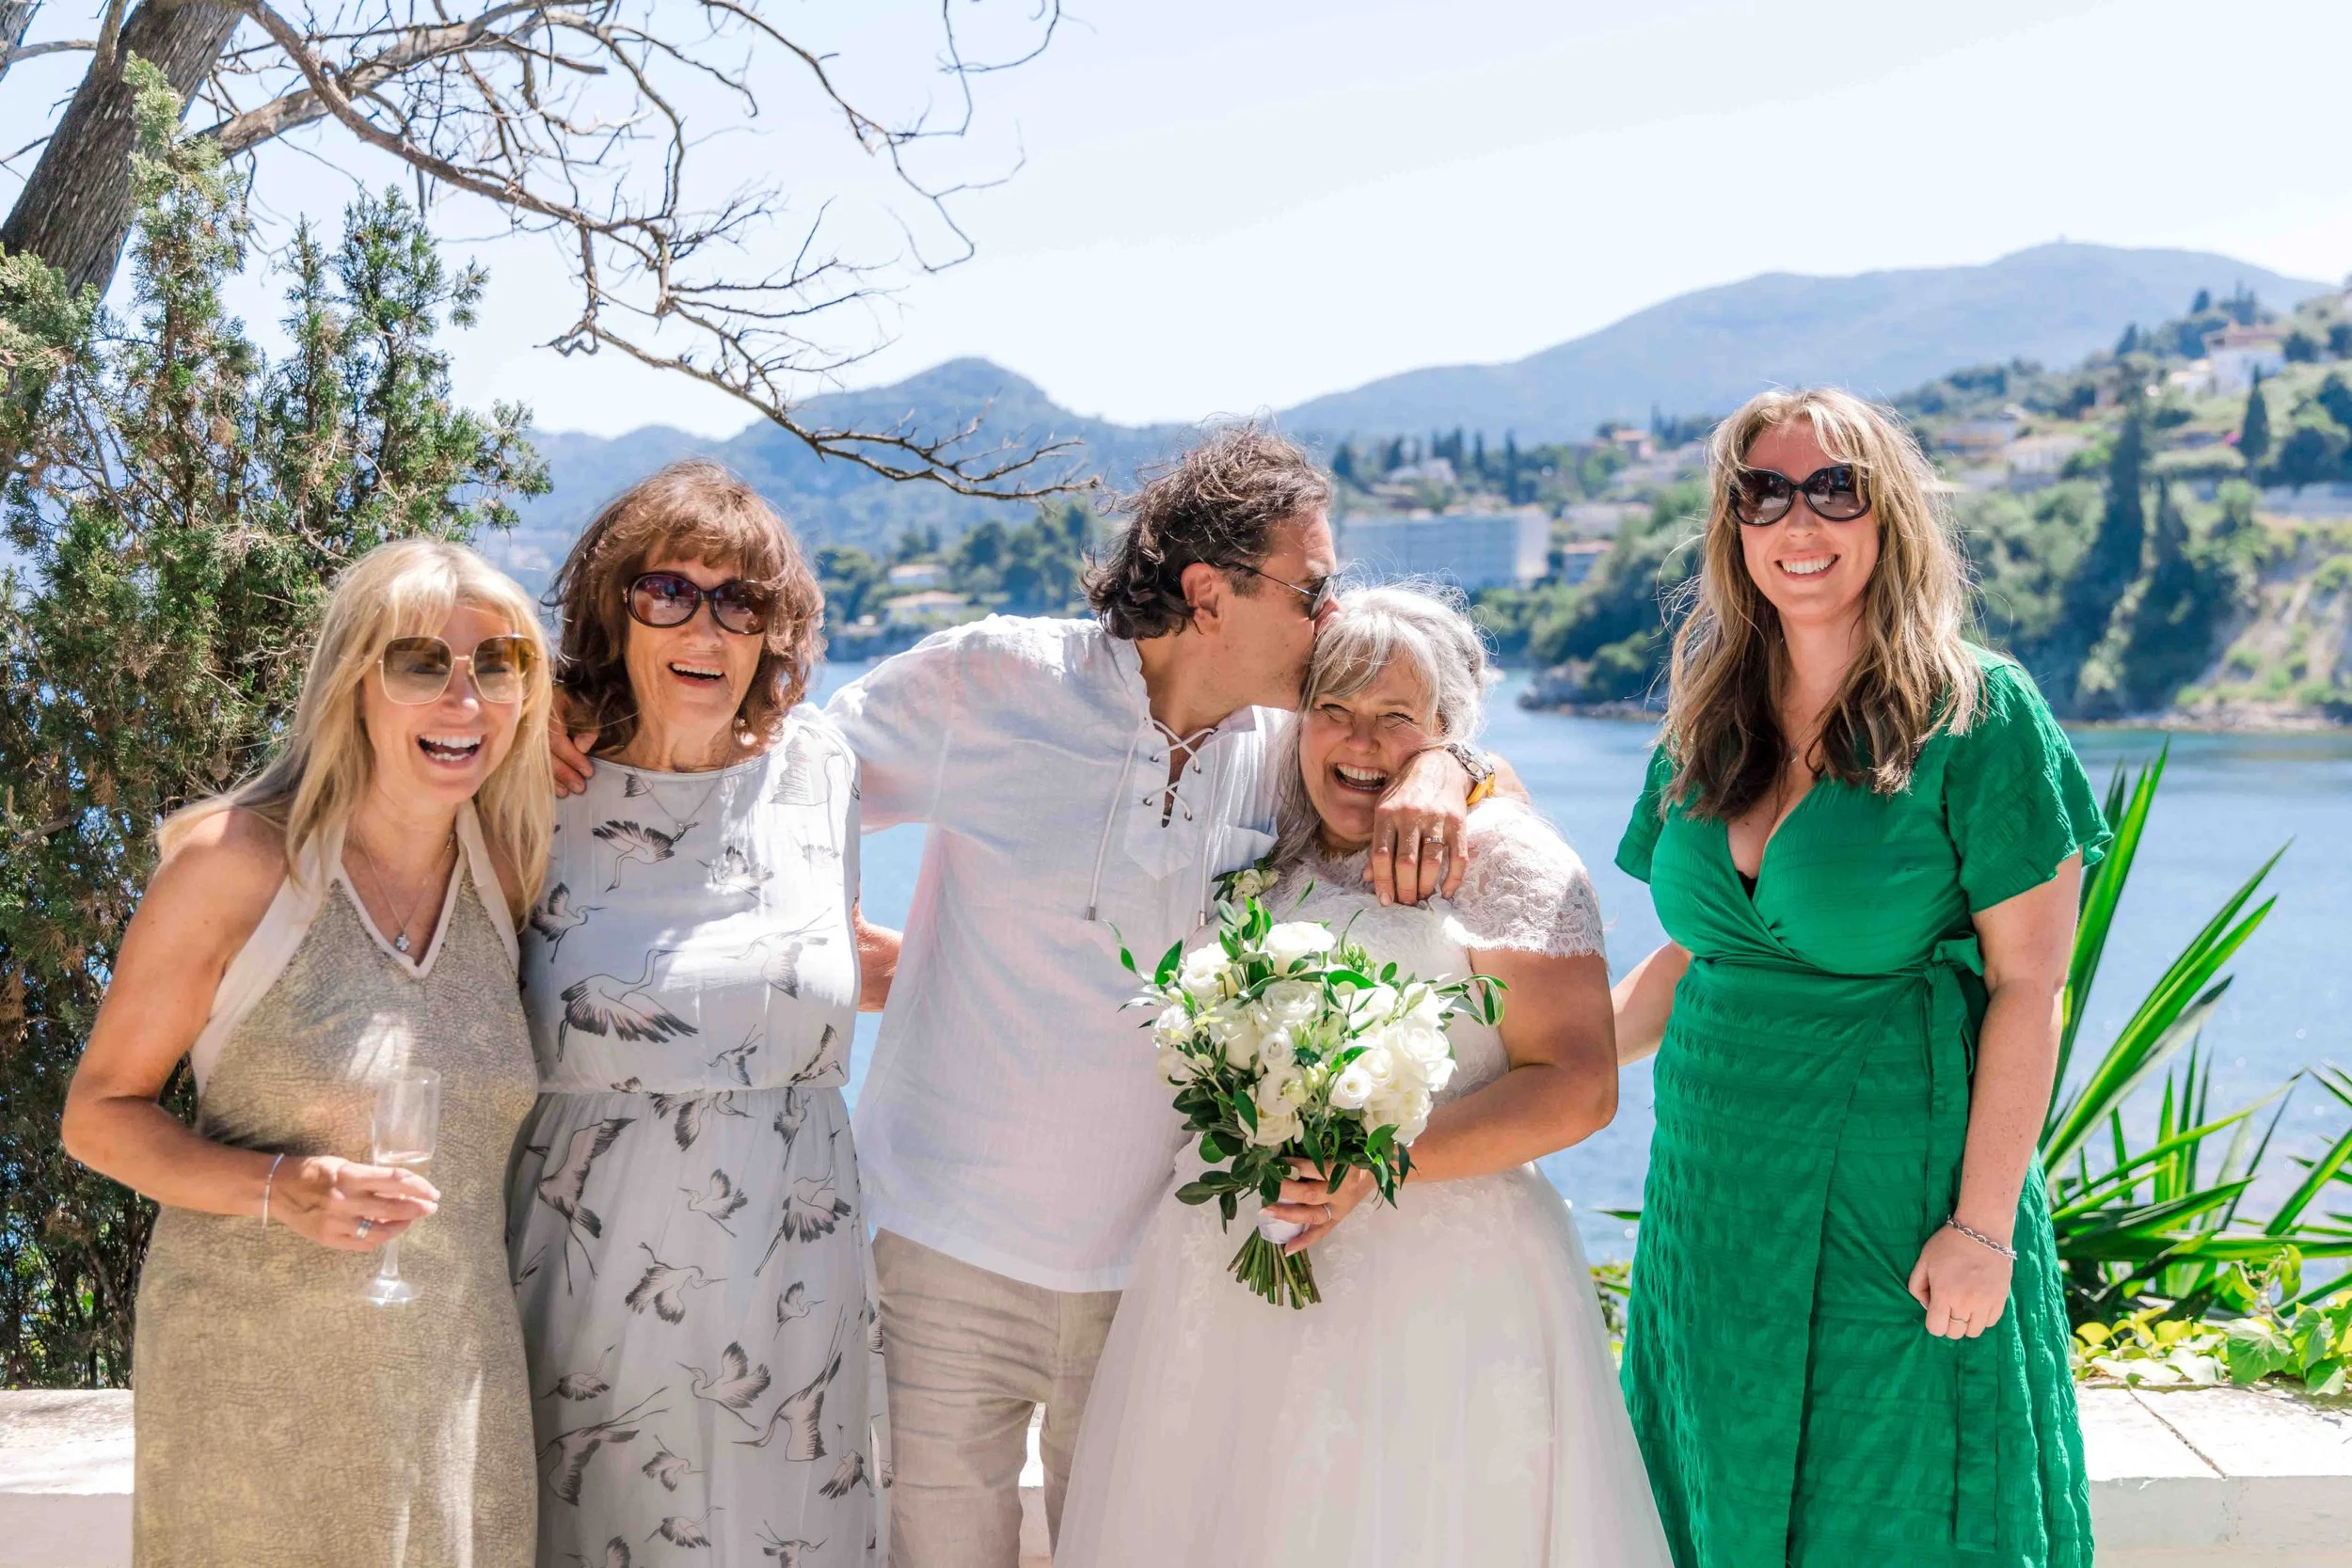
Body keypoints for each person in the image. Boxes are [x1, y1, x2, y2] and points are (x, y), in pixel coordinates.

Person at [555, 424, 1486, 1567]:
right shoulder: (993, 683)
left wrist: (1447, 767)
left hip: (1156, 1264)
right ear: (1209, 593)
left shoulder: (1284, 743)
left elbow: (1428, 752)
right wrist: (564, 716)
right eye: (1311, 588)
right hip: (941, 1252)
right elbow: (763, 779)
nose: (1329, 617)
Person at [1054, 584, 1675, 1567]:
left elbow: (1576, 1084)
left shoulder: (1500, 855)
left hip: (1438, 1292)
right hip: (1226, 1285)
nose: (1359, 741)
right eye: (1333, 709)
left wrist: (1380, 1161)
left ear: (1444, 732)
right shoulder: (1270, 836)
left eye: (1397, 719)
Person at [1610, 388, 2105, 1567]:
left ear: (1888, 514)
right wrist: (1495, 1068)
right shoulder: (1703, 710)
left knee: (1897, 1502)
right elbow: (1698, 952)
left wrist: (1983, 1228)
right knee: (1709, 1488)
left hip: (1896, 1199)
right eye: (1763, 491)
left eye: (1834, 487)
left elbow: (2030, 984)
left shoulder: (1980, 712)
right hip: (1710, 1207)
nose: (1800, 519)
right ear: (1732, 524)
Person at [61, 539, 554, 1567]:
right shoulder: (236, 864)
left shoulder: (508, 871)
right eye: (421, 664)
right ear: (351, 683)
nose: (465, 699)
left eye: (498, 664)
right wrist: (280, 1186)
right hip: (254, 1405)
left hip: (454, 1396)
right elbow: (99, 1112)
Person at [509, 461, 892, 1567]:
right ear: (612, 610)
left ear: (774, 630)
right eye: (667, 590)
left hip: (796, 1282)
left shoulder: (822, 769)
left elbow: (832, 952)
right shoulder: (536, 784)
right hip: (594, 1281)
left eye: (741, 600)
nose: (706, 623)